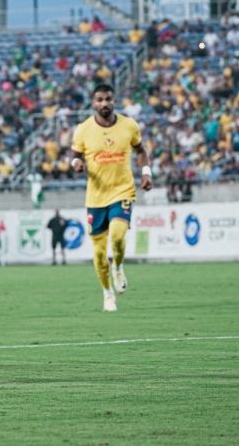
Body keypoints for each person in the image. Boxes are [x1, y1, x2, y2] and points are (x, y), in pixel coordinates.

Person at [71, 83, 152, 312]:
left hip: (122, 190)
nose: (104, 103)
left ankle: (118, 265)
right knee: (98, 252)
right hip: (95, 196)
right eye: (99, 100)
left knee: (117, 236)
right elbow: (75, 156)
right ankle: (107, 293)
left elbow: (141, 151)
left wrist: (146, 173)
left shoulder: (129, 125)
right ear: (93, 102)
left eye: (108, 99)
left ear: (114, 101)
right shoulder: (84, 129)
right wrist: (76, 164)